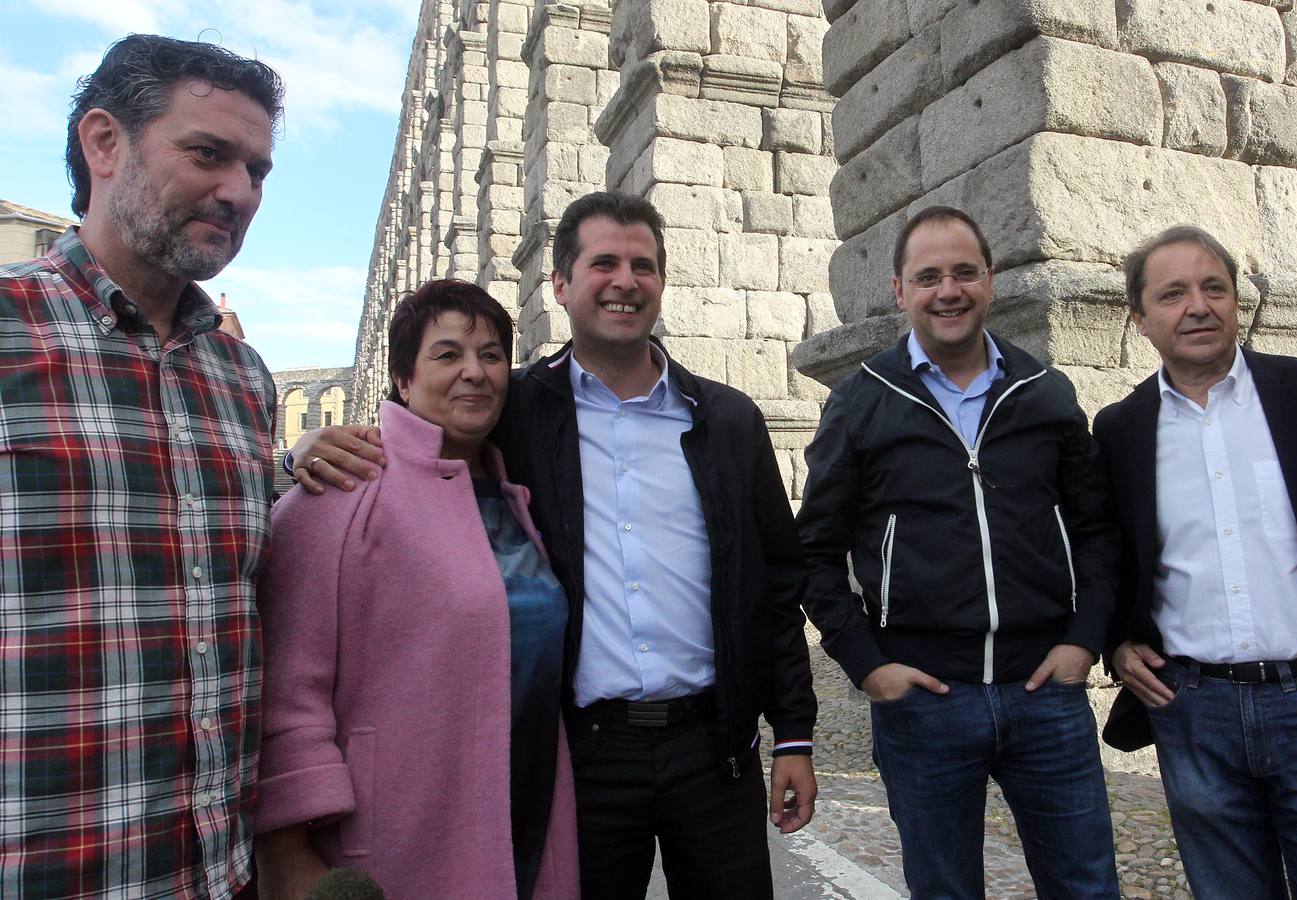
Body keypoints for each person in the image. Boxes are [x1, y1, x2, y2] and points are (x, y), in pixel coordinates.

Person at [287, 191, 818, 898]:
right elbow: (435, 439)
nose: (625, 281)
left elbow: (777, 584)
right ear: (561, 285)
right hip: (583, 754)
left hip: (713, 748)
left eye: (643, 265)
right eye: (604, 263)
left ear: (662, 281)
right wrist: (303, 451)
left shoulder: (728, 420)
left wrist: (793, 734)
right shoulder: (519, 409)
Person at [0, 35, 282, 899]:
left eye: (258, 172)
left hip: (217, 878)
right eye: (207, 154)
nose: (238, 191)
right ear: (104, 143)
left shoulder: (245, 379)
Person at [796, 206, 1120, 897]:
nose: (949, 290)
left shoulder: (1045, 392)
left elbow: (1096, 528)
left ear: (990, 281)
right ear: (899, 291)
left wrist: (1085, 639)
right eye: (929, 276)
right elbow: (813, 552)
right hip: (923, 703)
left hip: (1047, 695)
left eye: (964, 272)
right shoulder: (860, 403)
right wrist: (867, 665)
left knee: (1086, 887)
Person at [253, 279, 579, 899]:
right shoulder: (342, 491)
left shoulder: (513, 492)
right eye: (447, 354)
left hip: (527, 797)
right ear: (402, 378)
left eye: (490, 355)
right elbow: (286, 687)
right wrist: (287, 847)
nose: (474, 373)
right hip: (401, 823)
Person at [1096, 226, 1297, 899]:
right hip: (1194, 712)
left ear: (1237, 302)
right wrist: (1114, 645)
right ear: (1140, 318)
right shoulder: (1121, 430)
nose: (1198, 306)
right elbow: (1108, 553)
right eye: (1174, 293)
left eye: (1214, 287)